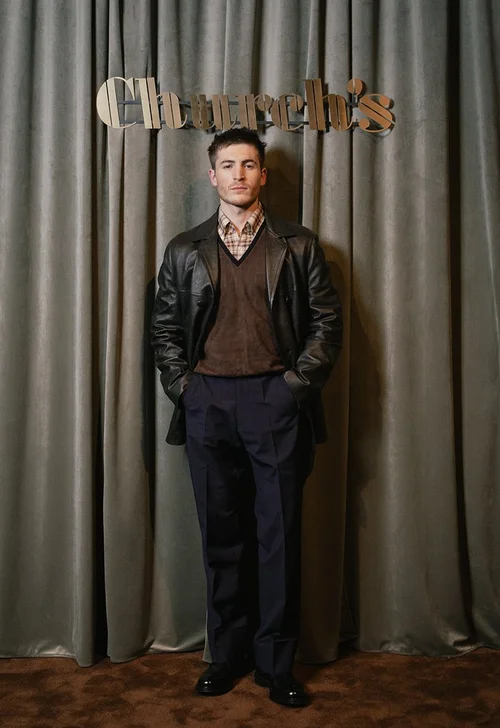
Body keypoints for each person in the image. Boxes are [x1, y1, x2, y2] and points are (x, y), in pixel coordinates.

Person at [151, 128, 342, 707]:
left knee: (278, 537)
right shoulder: (184, 249)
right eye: (228, 165)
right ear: (213, 175)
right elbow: (164, 329)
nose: (239, 174)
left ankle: (276, 665)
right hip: (208, 402)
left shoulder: (298, 245)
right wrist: (186, 389)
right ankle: (226, 655)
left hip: (274, 402)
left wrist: (293, 388)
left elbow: (326, 325)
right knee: (222, 537)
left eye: (249, 164)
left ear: (262, 175)